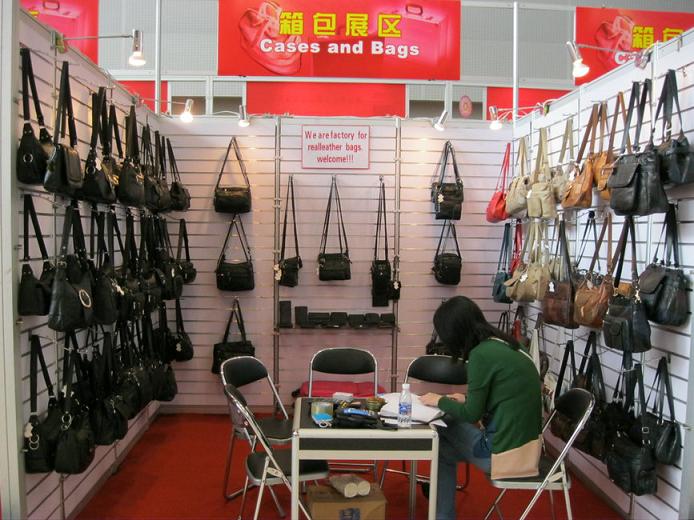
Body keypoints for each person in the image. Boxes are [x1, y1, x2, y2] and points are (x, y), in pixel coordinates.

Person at [419, 296, 543, 520]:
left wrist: (439, 400)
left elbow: (471, 414)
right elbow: (504, 396)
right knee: (442, 450)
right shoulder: (505, 345)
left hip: (500, 454)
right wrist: (466, 398)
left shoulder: (480, 355)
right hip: (527, 450)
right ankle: (442, 516)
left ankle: (443, 514)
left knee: (444, 422)